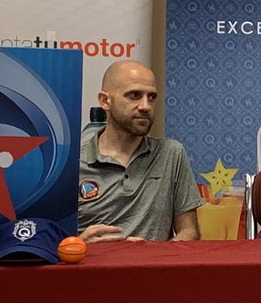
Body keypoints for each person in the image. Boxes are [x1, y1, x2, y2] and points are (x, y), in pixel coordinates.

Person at [78, 60, 202, 243]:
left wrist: (153, 254)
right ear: (105, 101)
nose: (145, 106)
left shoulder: (171, 153)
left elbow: (189, 232)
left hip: (155, 261)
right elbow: (49, 241)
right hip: (90, 261)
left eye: (151, 97)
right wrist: (78, 243)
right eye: (134, 95)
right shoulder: (73, 162)